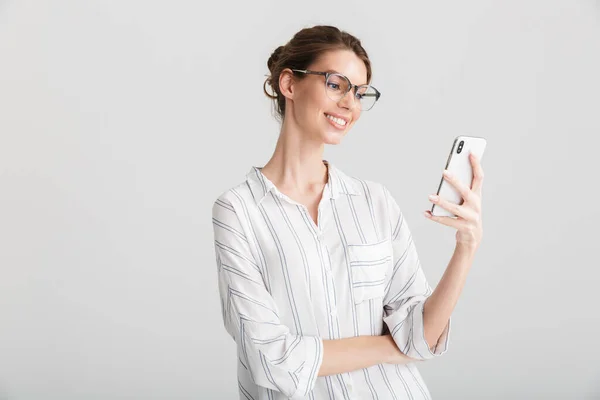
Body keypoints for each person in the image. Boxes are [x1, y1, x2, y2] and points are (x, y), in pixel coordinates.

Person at [211, 25, 484, 400]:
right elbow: (271, 359)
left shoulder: (375, 202)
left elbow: (422, 336)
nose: (350, 104)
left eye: (359, 93)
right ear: (289, 84)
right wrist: (392, 347)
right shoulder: (237, 212)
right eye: (336, 85)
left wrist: (465, 246)